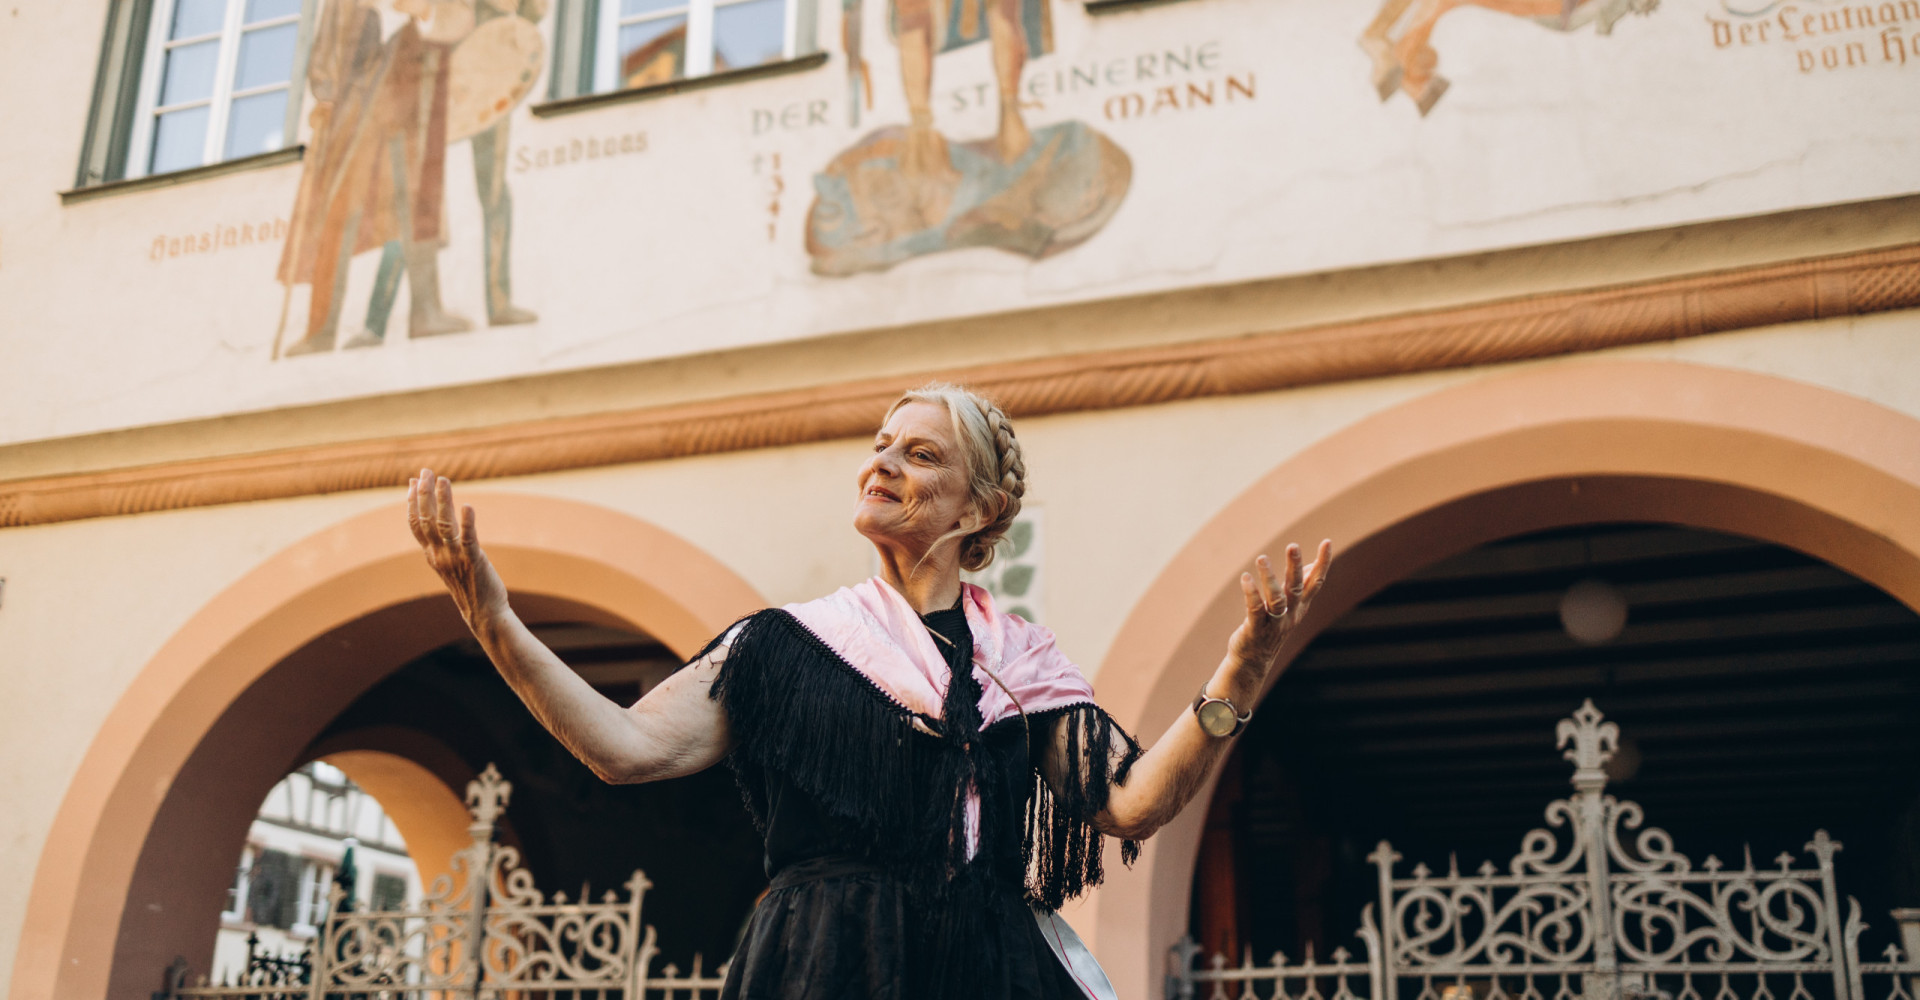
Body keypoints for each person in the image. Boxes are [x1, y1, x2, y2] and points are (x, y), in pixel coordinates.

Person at [406, 383, 1333, 1000]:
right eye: (882, 444)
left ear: (975, 511)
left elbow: (1128, 805)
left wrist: (1237, 675)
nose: (882, 461)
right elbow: (624, 748)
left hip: (990, 967)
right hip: (824, 962)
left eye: (921, 455)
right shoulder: (782, 646)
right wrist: (495, 619)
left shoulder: (1021, 660)